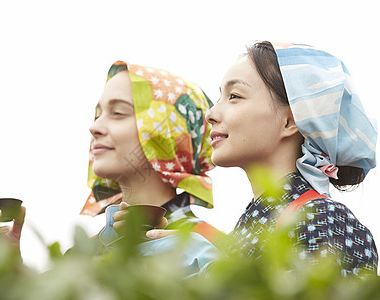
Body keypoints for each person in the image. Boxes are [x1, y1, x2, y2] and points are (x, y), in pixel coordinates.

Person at [149, 41, 378, 277]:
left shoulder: (322, 218)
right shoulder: (253, 226)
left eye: (234, 96)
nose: (211, 114)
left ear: (289, 121)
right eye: (220, 97)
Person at [0, 60, 222, 253]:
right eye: (97, 115)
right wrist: (11, 270)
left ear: (166, 133)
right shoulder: (82, 255)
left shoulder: (213, 249)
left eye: (118, 113)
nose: (95, 128)